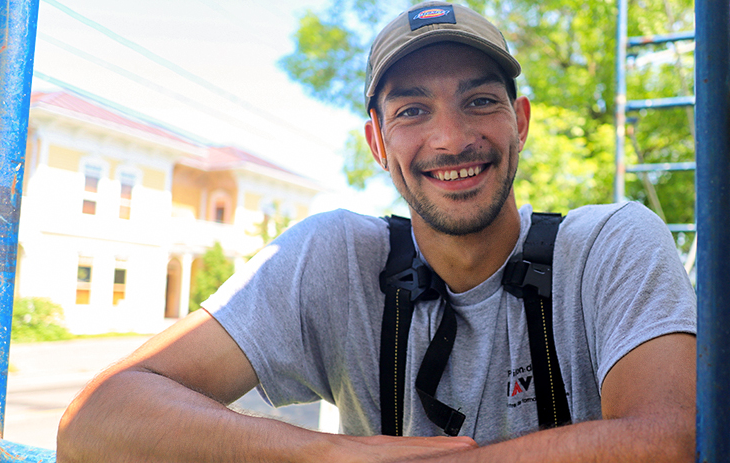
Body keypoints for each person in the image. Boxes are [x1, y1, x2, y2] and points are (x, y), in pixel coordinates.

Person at [57, 2, 697, 461]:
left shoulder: (611, 244)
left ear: (519, 121)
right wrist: (334, 455)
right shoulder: (335, 258)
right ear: (376, 141)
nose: (450, 139)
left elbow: (672, 439)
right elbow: (96, 422)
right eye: (412, 110)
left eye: (480, 100)